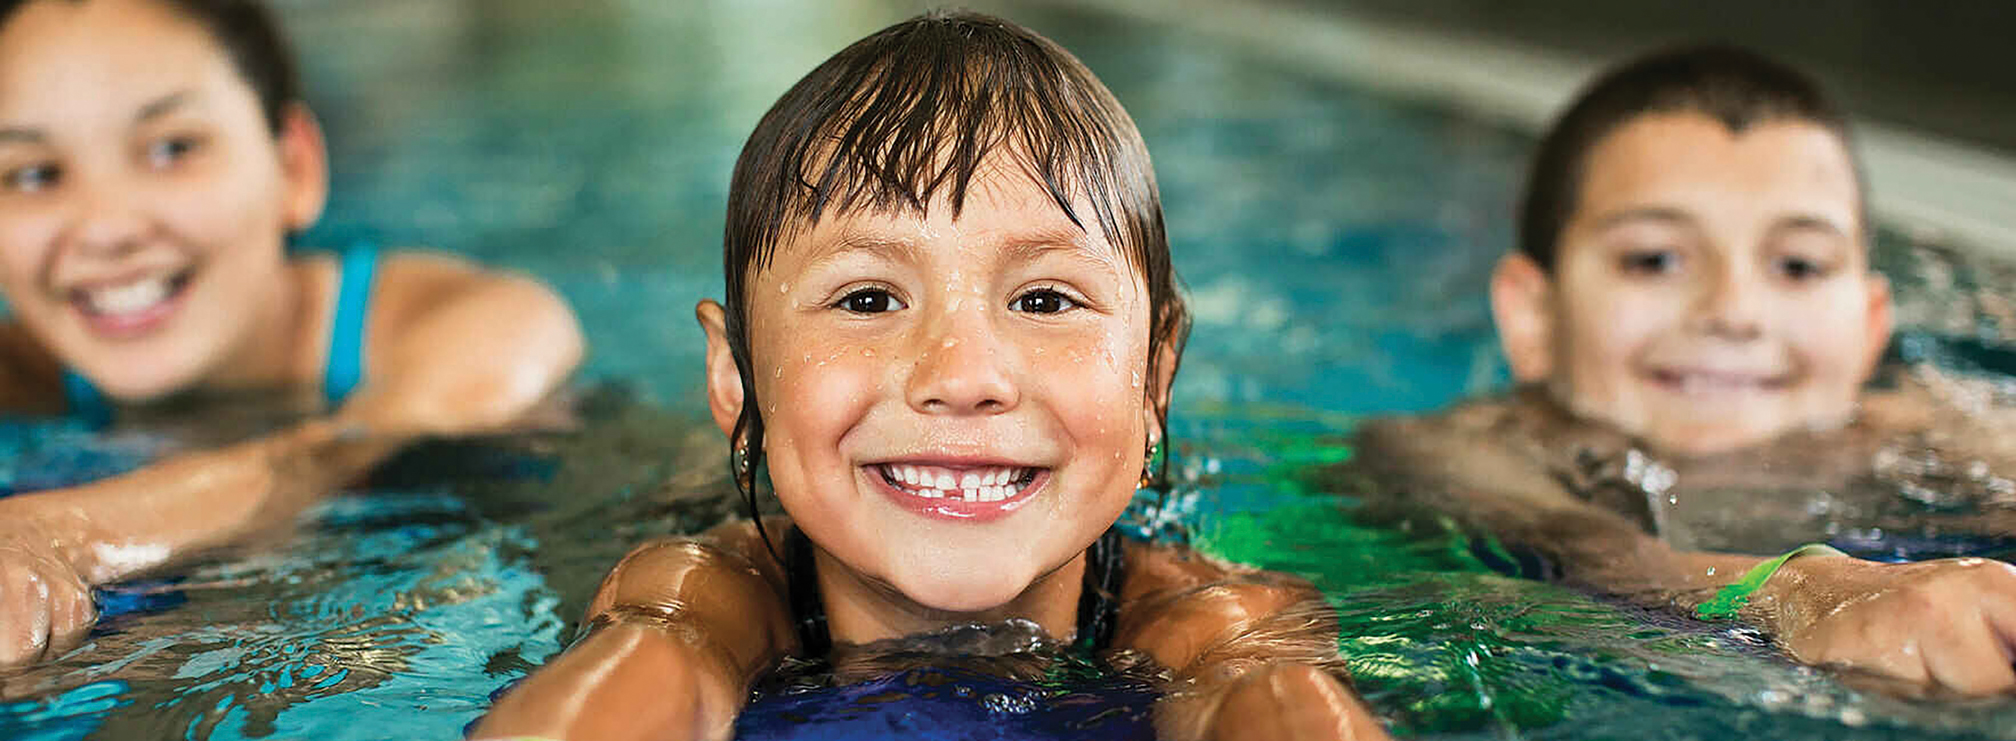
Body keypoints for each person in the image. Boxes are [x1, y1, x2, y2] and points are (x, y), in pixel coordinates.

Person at [474, 11, 1388, 741]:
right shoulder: (701, 593)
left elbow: (1259, 693)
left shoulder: (1215, 619)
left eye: (1043, 301)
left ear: (1155, 380)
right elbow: (650, 666)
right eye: (868, 299)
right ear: (736, 382)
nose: (963, 376)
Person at [1344, 44, 2016, 697]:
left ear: (1871, 327)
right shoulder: (1458, 448)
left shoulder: (1925, 432)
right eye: (1655, 259)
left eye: (1799, 265)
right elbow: (1595, 556)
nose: (1733, 312)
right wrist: (1800, 593)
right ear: (1535, 317)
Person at [0, 0, 583, 666]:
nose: (105, 228)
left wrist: (53, 534)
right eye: (34, 174)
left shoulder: (484, 322)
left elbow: (336, 452)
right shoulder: (23, 370)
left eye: (172, 148)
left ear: (293, 168)